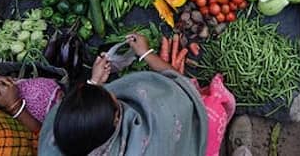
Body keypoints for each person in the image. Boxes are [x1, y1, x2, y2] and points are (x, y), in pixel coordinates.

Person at [38, 33, 236, 156]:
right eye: (115, 101)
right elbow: (181, 87)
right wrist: (147, 54)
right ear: (116, 120)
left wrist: (94, 81)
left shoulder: (54, 141)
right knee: (211, 112)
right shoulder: (152, 132)